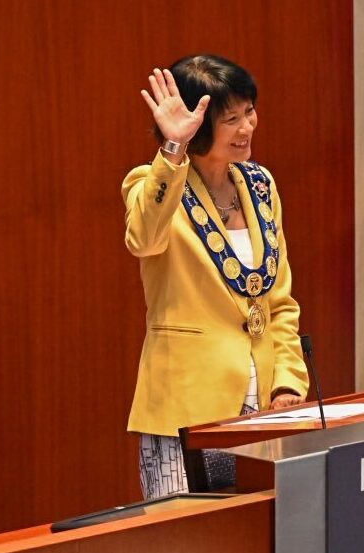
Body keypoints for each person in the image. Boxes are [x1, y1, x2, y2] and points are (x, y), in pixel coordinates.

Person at [123, 55, 310, 499]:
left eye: (249, 112)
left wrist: (287, 382)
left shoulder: (260, 185)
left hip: (262, 408)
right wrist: (173, 150)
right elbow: (143, 240)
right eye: (231, 119)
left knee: (261, 545)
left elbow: (278, 301)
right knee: (185, 552)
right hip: (185, 412)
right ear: (200, 125)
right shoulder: (152, 184)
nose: (248, 127)